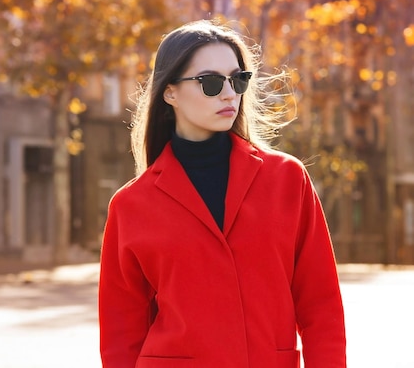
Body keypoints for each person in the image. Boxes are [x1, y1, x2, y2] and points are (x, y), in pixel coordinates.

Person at [98, 19, 346, 368]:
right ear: (170, 92)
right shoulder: (131, 205)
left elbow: (321, 305)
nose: (230, 93)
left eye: (237, 79)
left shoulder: (287, 179)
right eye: (211, 82)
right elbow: (121, 334)